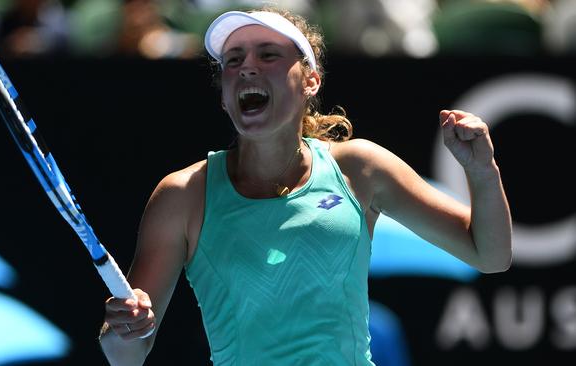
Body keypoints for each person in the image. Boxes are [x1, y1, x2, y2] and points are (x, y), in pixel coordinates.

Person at [98, 6, 512, 366]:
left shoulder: (361, 168)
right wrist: (125, 328)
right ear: (224, 96)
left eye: (269, 54)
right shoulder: (182, 196)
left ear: (311, 80)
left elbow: (489, 253)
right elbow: (126, 355)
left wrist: (482, 169)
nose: (247, 67)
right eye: (233, 60)